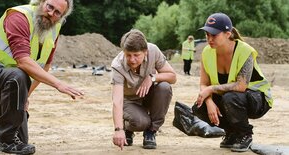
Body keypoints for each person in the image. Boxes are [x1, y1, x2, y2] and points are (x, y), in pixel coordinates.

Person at [0, 0, 83, 154]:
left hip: (8, 82)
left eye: (57, 13)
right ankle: (6, 143)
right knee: (18, 74)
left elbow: (45, 66)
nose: (51, 13)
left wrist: (24, 96)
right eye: (50, 7)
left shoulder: (54, 29)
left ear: (61, 17)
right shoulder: (19, 16)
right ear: (41, 2)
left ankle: (4, 138)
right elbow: (23, 61)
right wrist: (58, 84)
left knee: (19, 139)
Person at [192, 13, 273, 152]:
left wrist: (210, 90)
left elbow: (240, 86)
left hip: (258, 100)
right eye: (207, 34)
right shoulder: (207, 52)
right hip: (232, 98)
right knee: (199, 107)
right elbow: (204, 84)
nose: (209, 39)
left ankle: (245, 134)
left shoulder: (244, 50)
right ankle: (232, 132)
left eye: (214, 35)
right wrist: (209, 101)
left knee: (231, 97)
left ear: (228, 34)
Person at [111, 29, 177, 150]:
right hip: (129, 102)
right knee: (141, 122)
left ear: (145, 52)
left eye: (136, 55)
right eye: (128, 55)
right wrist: (118, 130)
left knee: (164, 87)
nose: (132, 60)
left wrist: (152, 77)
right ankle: (128, 128)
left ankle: (151, 131)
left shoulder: (153, 51)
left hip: (148, 96)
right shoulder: (117, 65)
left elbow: (172, 77)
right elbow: (117, 100)